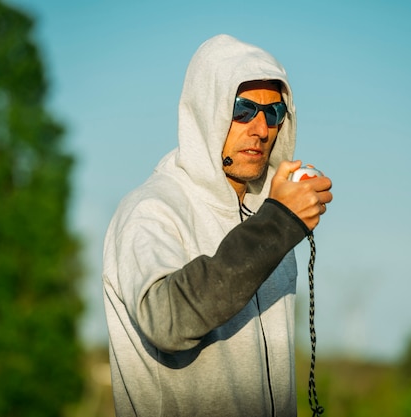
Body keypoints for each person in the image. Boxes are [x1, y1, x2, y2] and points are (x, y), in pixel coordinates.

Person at [102, 34, 333, 417]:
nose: (261, 129)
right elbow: (167, 319)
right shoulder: (150, 209)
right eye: (243, 110)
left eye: (273, 113)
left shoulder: (268, 220)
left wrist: (274, 222)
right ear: (206, 110)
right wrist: (278, 225)